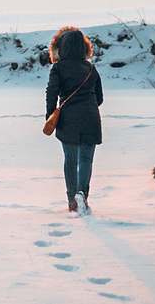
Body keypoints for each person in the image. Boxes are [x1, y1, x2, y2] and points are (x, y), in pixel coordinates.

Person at [45, 27, 104, 213]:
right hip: (91, 118)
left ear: (61, 47)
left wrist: (50, 116)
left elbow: (51, 93)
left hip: (68, 119)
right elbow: (100, 98)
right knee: (86, 159)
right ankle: (82, 195)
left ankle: (72, 199)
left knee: (70, 160)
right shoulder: (91, 68)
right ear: (84, 48)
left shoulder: (58, 68)